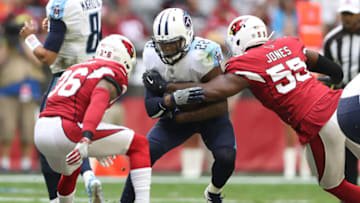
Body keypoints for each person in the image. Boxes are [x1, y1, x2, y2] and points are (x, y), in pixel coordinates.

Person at [163, 15, 360, 202]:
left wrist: (169, 90)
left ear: (238, 41)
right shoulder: (288, 43)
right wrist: (334, 79)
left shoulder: (244, 63)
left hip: (318, 124)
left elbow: (212, 91)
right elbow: (333, 69)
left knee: (333, 184)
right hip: (342, 103)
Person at [120, 8, 236, 203]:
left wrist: (175, 102)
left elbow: (220, 106)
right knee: (144, 155)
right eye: (163, 45)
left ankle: (213, 193)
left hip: (206, 117)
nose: (168, 50)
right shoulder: (151, 53)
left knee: (226, 158)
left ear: (188, 37)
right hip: (176, 115)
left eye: (174, 44)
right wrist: (172, 100)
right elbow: (151, 108)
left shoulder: (206, 53)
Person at [34, 34, 152, 203]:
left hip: (41, 131)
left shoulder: (76, 68)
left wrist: (99, 143)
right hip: (65, 131)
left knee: (70, 170)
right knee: (140, 144)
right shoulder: (113, 70)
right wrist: (87, 137)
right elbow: (100, 96)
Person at [19, 0, 104, 202]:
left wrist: (29, 38)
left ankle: (57, 198)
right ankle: (89, 176)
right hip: (91, 74)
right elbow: (76, 30)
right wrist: (57, 27)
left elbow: (46, 56)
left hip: (68, 78)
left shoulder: (60, 5)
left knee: (45, 139)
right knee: (74, 136)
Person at [323, 0, 360, 195]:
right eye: (344, 13)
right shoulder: (331, 40)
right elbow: (330, 71)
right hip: (344, 101)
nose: (346, 18)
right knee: (346, 154)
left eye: (351, 14)